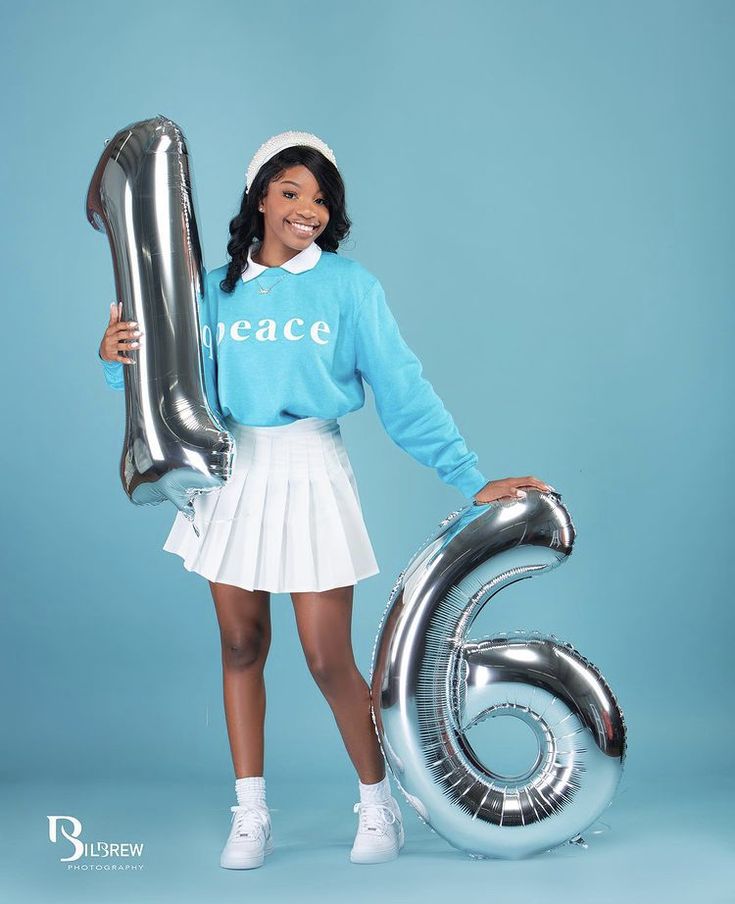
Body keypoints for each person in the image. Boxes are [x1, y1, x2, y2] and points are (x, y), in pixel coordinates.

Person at [98, 130, 553, 869]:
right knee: (241, 645)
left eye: (319, 198)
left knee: (325, 657)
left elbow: (402, 390)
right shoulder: (211, 290)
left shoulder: (349, 288)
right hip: (233, 470)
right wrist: (116, 360)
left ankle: (377, 804)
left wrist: (468, 475)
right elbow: (165, 379)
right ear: (259, 198)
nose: (306, 209)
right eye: (289, 193)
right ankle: (250, 813)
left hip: (310, 466)